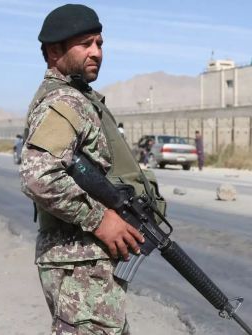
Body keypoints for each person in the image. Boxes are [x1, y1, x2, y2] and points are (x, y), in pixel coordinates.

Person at [20, 4, 165, 334]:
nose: (96, 52)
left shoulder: (78, 98)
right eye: (85, 44)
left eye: (99, 44)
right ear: (54, 51)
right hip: (79, 261)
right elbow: (38, 176)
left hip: (85, 262)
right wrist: (100, 220)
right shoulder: (65, 102)